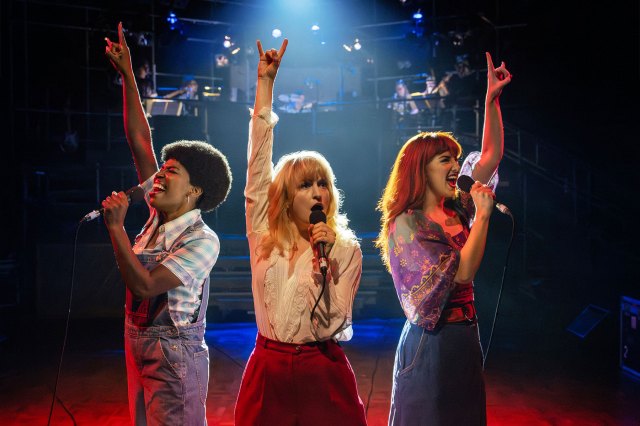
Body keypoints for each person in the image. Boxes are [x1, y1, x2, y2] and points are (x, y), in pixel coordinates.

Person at [103, 22, 232, 425]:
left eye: (170, 172)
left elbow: (143, 285)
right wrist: (127, 75)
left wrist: (116, 229)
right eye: (160, 171)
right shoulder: (157, 219)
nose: (157, 176)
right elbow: (140, 140)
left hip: (175, 356)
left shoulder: (202, 241)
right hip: (136, 347)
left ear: (195, 191)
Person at [234, 38, 367, 426]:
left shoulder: (343, 248)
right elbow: (257, 169)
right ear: (285, 196)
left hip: (320, 371)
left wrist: (323, 265)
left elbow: (334, 321)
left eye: (322, 183)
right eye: (305, 185)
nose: (316, 192)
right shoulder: (263, 237)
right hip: (268, 370)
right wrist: (265, 85)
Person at [376, 52, 511, 426]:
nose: (455, 166)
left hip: (466, 334)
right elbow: (463, 273)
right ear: (421, 169)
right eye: (444, 160)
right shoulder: (408, 225)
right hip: (431, 342)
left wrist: (491, 100)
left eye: (454, 158)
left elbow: (491, 154)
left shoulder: (456, 208)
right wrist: (483, 215)